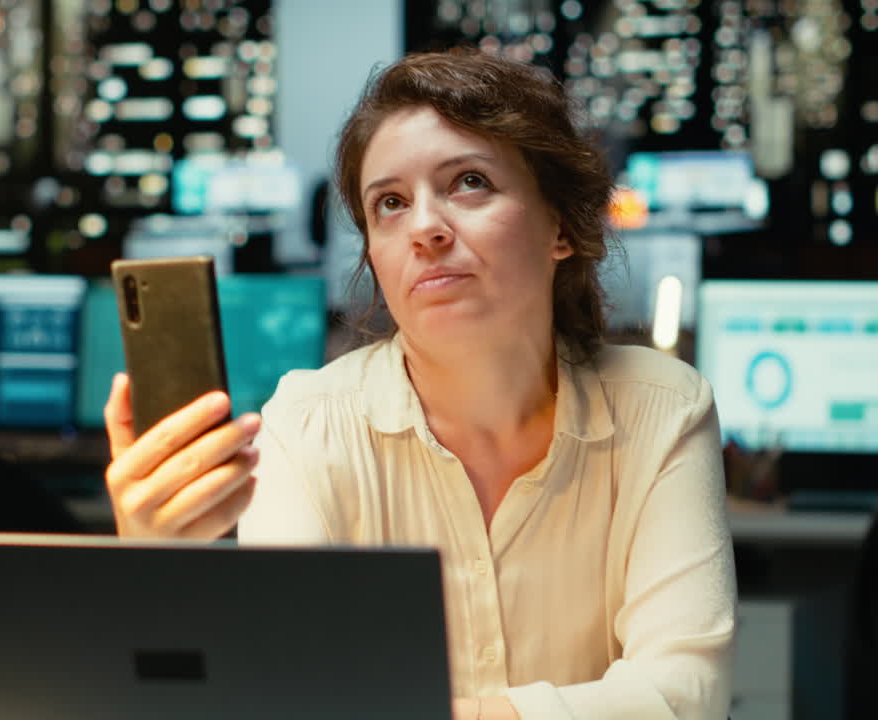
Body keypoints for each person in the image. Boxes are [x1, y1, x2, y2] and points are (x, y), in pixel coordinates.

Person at [103, 47, 736, 720]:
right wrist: (159, 564)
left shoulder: (663, 407)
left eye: (469, 182)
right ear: (374, 254)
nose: (426, 228)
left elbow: (684, 697)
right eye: (391, 203)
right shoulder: (307, 425)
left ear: (560, 224)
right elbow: (281, 695)